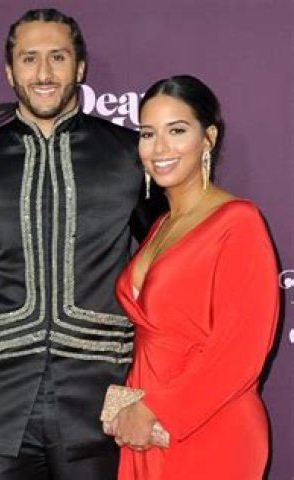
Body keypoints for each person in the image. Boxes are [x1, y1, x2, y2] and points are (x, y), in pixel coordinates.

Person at [0, 8, 165, 479]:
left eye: (58, 57)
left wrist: (152, 387)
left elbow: (167, 270)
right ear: (10, 72)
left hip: (102, 400)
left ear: (79, 67)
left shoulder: (130, 155)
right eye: (29, 59)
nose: (44, 73)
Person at [108, 74, 279, 479]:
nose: (159, 148)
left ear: (208, 138)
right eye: (148, 133)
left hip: (210, 424)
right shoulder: (159, 226)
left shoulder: (238, 222)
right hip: (147, 428)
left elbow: (242, 350)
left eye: (177, 130)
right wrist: (132, 407)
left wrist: (156, 407)